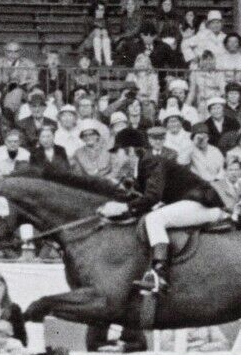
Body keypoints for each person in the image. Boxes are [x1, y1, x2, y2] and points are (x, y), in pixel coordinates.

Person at [93, 122, 227, 295]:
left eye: (117, 152)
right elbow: (142, 197)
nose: (114, 158)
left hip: (202, 204)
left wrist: (123, 208)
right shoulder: (142, 166)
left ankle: (158, 273)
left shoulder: (151, 162)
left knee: (154, 219)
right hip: (190, 202)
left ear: (131, 150)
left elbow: (151, 198)